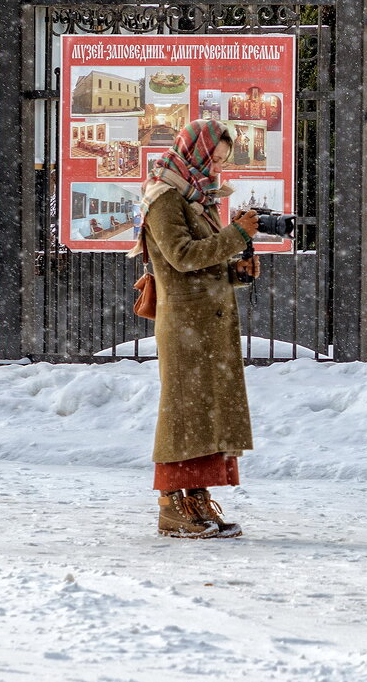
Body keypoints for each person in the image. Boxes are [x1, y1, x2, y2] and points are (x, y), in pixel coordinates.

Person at [129, 118, 263, 539]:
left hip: (208, 324)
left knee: (207, 415)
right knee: (184, 415)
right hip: (186, 325)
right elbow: (183, 257)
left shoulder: (196, 197)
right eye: (216, 159)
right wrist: (236, 235)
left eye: (223, 161)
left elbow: (204, 262)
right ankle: (172, 506)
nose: (220, 169)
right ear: (196, 154)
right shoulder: (165, 198)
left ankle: (198, 500)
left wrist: (236, 271)